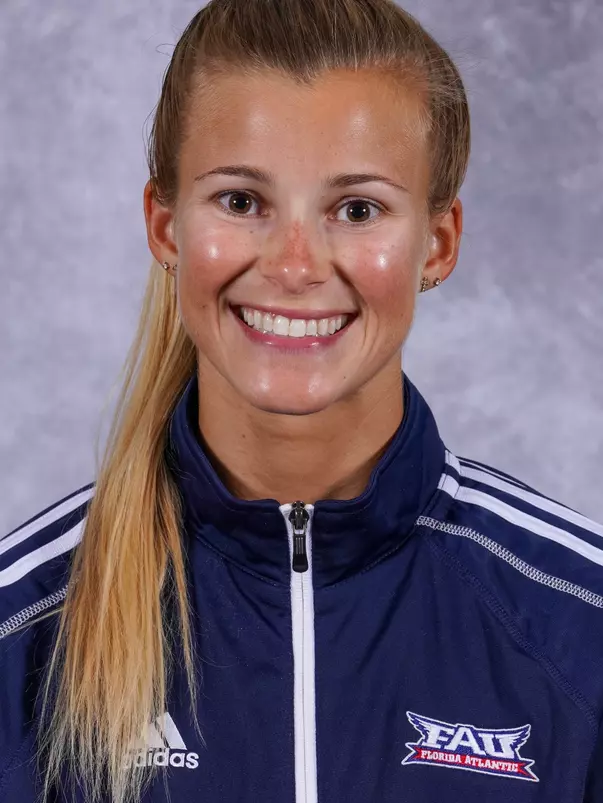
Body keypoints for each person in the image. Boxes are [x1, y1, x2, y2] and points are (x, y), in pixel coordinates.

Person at [1, 0, 602, 801]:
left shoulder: (576, 622)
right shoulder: (22, 631)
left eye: (356, 210)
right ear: (165, 226)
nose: (294, 265)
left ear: (438, 242)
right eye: (241, 201)